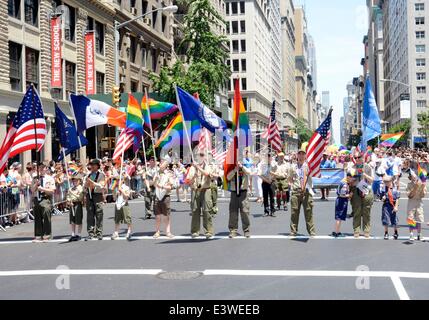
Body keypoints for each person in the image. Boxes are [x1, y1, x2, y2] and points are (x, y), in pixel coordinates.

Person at [187, 152, 216, 239]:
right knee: (195, 211)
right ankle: (195, 231)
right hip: (195, 190)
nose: (200, 157)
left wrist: (198, 168)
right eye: (199, 155)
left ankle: (208, 231)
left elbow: (207, 174)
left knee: (207, 210)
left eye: (202, 155)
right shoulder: (192, 168)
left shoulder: (208, 166)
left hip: (205, 189)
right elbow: (189, 182)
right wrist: (193, 177)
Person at [289, 149, 316, 237]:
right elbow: (290, 178)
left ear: (305, 156)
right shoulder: (293, 167)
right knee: (294, 212)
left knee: (308, 212)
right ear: (297, 155)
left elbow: (313, 174)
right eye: (299, 154)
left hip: (307, 191)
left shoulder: (309, 166)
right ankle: (293, 231)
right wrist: (292, 186)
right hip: (296, 191)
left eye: (303, 154)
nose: (301, 156)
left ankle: (311, 231)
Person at [349, 153, 374, 239]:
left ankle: (366, 230)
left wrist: (365, 175)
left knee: (366, 212)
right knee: (357, 211)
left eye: (358, 157)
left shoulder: (367, 167)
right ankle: (356, 230)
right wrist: (352, 179)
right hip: (356, 190)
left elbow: (372, 180)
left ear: (362, 158)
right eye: (355, 157)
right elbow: (347, 180)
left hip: (366, 189)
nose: (357, 159)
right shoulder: (352, 167)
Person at [31, 164, 56, 242]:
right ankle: (38, 235)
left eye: (43, 168)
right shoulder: (35, 178)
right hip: (36, 199)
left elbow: (52, 191)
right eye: (40, 168)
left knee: (46, 215)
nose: (41, 169)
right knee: (37, 217)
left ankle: (47, 235)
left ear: (46, 169)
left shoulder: (50, 178)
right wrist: (36, 184)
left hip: (45, 198)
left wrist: (42, 189)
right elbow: (32, 190)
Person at [226, 162, 251, 238]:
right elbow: (228, 177)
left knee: (245, 212)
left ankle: (246, 230)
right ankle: (233, 230)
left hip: (243, 192)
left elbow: (249, 172)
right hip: (234, 192)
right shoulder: (232, 167)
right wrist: (234, 170)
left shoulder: (245, 166)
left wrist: (241, 167)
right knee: (233, 212)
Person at [153, 161, 176, 239]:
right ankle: (157, 232)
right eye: (160, 165)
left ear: (166, 166)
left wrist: (162, 186)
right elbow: (153, 183)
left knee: (166, 216)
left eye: (162, 165)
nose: (160, 166)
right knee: (158, 216)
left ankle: (168, 232)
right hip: (157, 196)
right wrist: (155, 180)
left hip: (165, 196)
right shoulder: (156, 173)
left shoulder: (169, 174)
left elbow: (171, 186)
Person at [84, 159, 106, 241]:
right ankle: (91, 233)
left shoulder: (101, 175)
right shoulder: (88, 175)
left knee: (99, 214)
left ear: (97, 166)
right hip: (89, 195)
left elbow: (102, 185)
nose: (92, 166)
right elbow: (85, 187)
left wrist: (93, 183)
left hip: (98, 195)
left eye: (94, 165)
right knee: (90, 215)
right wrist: (86, 183)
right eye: (91, 165)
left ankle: (99, 232)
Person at [111, 173, 133, 241]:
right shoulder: (116, 188)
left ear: (122, 180)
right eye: (116, 180)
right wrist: (114, 192)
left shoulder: (126, 187)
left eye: (118, 180)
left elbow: (127, 196)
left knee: (127, 218)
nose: (117, 181)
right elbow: (114, 198)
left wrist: (122, 191)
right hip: (118, 204)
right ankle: (116, 232)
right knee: (117, 219)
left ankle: (129, 231)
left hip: (124, 204)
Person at [407, 170, 426, 241]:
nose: (414, 177)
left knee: (419, 219)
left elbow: (422, 195)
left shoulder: (421, 184)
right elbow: (409, 196)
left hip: (419, 202)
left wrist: (423, 188)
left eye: (415, 176)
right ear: (410, 177)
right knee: (411, 218)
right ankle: (411, 234)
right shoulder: (409, 185)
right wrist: (415, 187)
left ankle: (419, 234)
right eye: (412, 176)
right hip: (411, 202)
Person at [332, 173, 353, 238]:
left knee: (339, 217)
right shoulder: (344, 184)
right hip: (341, 201)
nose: (352, 179)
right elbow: (341, 194)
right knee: (339, 217)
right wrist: (349, 195)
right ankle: (337, 232)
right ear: (348, 177)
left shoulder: (345, 183)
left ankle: (336, 231)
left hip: (342, 201)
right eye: (351, 178)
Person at [380, 176, 400, 240]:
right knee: (385, 219)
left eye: (387, 182)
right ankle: (386, 233)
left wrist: (396, 206)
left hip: (393, 205)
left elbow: (397, 198)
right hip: (386, 205)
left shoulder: (395, 188)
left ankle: (395, 232)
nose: (386, 183)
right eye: (385, 182)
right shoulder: (383, 188)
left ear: (391, 181)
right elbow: (380, 197)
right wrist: (382, 198)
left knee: (394, 220)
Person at [66, 174, 84, 242]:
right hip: (72, 205)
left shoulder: (81, 188)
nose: (75, 182)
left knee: (78, 219)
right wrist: (68, 201)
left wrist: (73, 195)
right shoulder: (71, 189)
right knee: (72, 220)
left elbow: (80, 197)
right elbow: (68, 196)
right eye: (74, 181)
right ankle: (73, 234)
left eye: (76, 180)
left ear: (79, 181)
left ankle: (79, 234)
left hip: (77, 204)